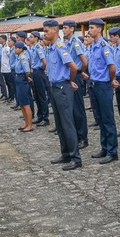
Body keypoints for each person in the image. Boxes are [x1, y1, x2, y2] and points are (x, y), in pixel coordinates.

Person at [43, 20, 82, 170]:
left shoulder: (60, 47)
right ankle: (65, 153)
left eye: (46, 31)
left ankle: (75, 157)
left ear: (54, 31)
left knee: (67, 123)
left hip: (62, 87)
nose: (44, 34)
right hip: (54, 88)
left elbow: (73, 66)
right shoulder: (51, 48)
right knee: (59, 124)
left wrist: (69, 80)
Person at [86, 18, 118, 164]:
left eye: (92, 27)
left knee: (108, 119)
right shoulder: (93, 46)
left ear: (99, 29)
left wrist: (110, 81)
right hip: (94, 84)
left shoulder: (104, 46)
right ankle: (104, 147)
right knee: (100, 119)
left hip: (104, 85)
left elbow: (112, 67)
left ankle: (112, 151)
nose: (89, 30)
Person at [62, 20, 89, 149]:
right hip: (70, 76)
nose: (64, 30)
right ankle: (77, 136)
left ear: (72, 29)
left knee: (78, 108)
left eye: (66, 28)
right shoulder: (67, 43)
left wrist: (80, 72)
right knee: (71, 108)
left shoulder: (76, 42)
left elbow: (84, 61)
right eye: (63, 28)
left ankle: (83, 137)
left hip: (76, 76)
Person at [27, 31, 50, 126]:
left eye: (31, 37)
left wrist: (41, 70)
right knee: (36, 95)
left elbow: (44, 61)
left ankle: (45, 117)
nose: (29, 38)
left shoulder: (38, 48)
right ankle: (40, 115)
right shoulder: (32, 48)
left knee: (41, 95)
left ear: (36, 38)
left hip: (38, 72)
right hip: (34, 72)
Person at [13, 41, 35, 132]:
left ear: (21, 49)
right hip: (18, 79)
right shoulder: (19, 57)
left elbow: (27, 71)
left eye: (16, 48)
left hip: (22, 80)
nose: (15, 50)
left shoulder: (23, 57)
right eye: (15, 48)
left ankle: (30, 125)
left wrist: (27, 78)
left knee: (25, 104)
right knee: (21, 103)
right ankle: (26, 123)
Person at [1, 36, 15, 104]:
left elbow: (10, 58)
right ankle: (10, 96)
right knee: (8, 84)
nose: (8, 42)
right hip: (4, 68)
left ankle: (12, 97)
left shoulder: (7, 48)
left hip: (8, 68)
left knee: (10, 84)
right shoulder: (3, 47)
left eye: (9, 41)